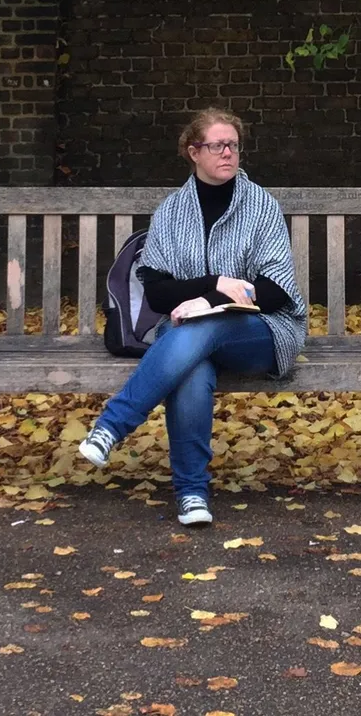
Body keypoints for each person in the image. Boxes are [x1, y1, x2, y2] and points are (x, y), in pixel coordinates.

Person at [79, 108, 308, 526]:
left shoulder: (262, 207)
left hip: (262, 332)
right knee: (192, 365)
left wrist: (209, 302)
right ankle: (192, 497)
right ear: (193, 152)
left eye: (233, 145)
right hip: (187, 337)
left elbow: (277, 292)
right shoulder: (170, 212)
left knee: (204, 328)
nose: (228, 153)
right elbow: (158, 292)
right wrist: (216, 284)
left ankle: (113, 424)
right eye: (217, 145)